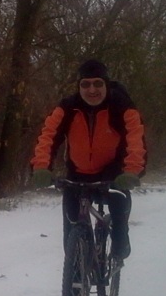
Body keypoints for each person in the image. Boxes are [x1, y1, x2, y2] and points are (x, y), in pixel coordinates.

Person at [30, 59, 147, 259]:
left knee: (118, 205)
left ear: (106, 84)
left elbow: (135, 139)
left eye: (97, 83)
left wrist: (131, 171)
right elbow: (48, 136)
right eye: (85, 84)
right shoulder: (68, 108)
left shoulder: (122, 107)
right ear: (79, 86)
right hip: (78, 174)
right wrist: (41, 166)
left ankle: (120, 241)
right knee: (71, 233)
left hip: (113, 173)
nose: (92, 90)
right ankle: (75, 271)